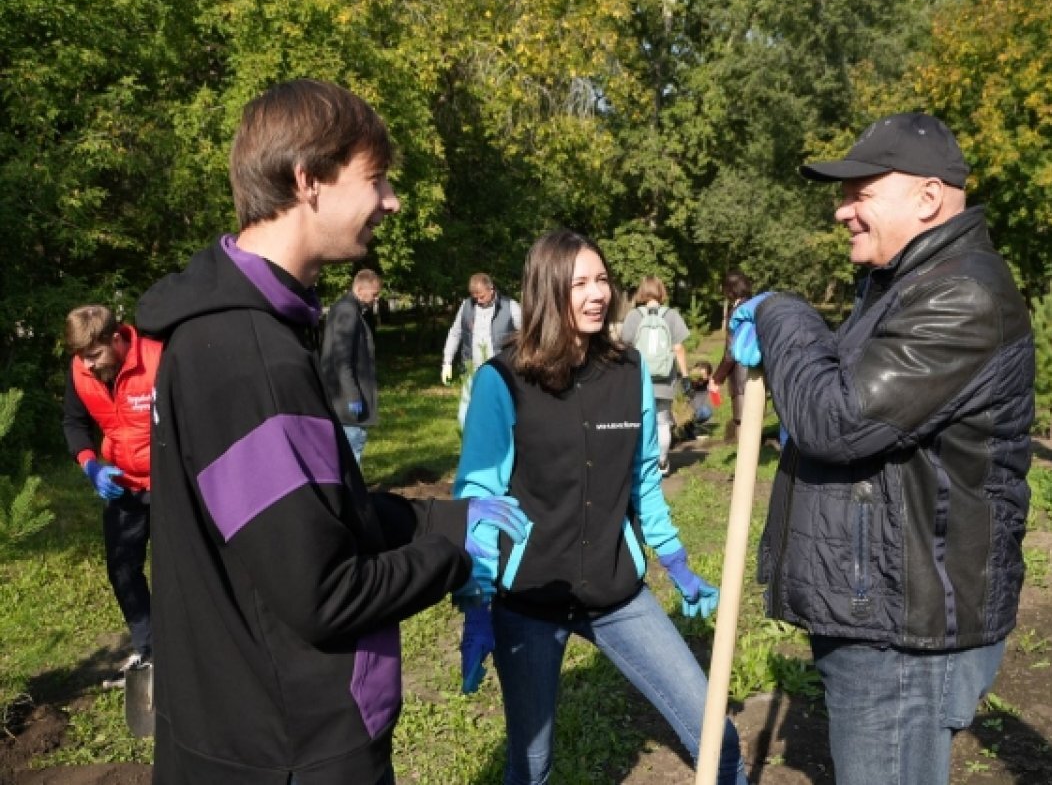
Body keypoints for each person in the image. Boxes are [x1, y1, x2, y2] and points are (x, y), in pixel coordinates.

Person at [135, 79, 530, 785]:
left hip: (246, 728)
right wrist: (452, 555)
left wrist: (442, 515)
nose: (391, 200)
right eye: (375, 179)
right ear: (307, 179)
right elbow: (325, 594)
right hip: (291, 748)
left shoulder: (239, 332)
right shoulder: (249, 358)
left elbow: (314, 516)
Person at [728, 112, 1035, 785]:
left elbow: (836, 418)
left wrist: (782, 313)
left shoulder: (961, 294)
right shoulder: (903, 283)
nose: (842, 212)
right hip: (885, 612)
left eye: (859, 193)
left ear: (928, 198)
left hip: (905, 630)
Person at [453, 229, 747, 785]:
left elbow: (642, 478)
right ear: (546, 290)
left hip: (617, 594)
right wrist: (476, 601)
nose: (596, 294)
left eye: (602, 280)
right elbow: (478, 501)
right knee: (531, 768)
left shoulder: (628, 369)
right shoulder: (503, 381)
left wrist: (677, 564)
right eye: (579, 283)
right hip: (530, 602)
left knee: (717, 736)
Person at [62, 304, 160, 687]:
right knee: (122, 568)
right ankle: (147, 648)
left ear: (116, 338)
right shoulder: (80, 369)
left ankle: (188, 647)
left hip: (169, 484)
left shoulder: (157, 358)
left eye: (94, 356)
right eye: (81, 358)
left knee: (176, 569)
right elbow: (73, 421)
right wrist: (90, 464)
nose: (87, 366)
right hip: (123, 486)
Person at [620, 275, 690, 476]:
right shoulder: (671, 315)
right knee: (662, 421)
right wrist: (685, 377)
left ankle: (642, 464)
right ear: (661, 291)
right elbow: (678, 349)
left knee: (640, 421)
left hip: (639, 378)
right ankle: (662, 462)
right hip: (665, 378)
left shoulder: (634, 316)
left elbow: (625, 347)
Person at [440, 273, 521, 427]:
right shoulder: (466, 306)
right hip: (472, 370)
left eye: (481, 296)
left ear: (491, 289)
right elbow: (455, 333)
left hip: (501, 373)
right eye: (474, 297)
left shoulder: (510, 306)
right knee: (464, 417)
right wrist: (447, 362)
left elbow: (528, 333)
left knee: (501, 417)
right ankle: (470, 448)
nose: (478, 300)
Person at [320, 268, 383, 464]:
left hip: (341, 395)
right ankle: (351, 494)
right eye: (374, 294)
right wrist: (353, 396)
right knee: (352, 450)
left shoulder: (345, 308)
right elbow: (342, 359)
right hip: (346, 402)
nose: (376, 299)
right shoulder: (348, 312)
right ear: (360, 288)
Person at [713, 270, 753, 441]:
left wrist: (717, 378)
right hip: (756, 372)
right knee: (754, 420)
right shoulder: (754, 306)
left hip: (741, 376)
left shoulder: (737, 312)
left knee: (742, 422)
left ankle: (744, 466)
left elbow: (731, 352)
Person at [685, 360, 717, 437]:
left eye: (703, 375)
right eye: (698, 374)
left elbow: (716, 402)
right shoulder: (687, 381)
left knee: (707, 411)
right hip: (684, 410)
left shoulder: (708, 383)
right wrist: (691, 384)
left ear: (708, 375)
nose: (700, 377)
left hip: (696, 412)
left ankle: (690, 426)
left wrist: (713, 389)